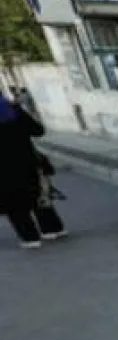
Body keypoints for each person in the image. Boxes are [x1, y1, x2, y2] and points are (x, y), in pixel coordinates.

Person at [0, 95, 66, 249]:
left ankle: (30, 238)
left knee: (14, 205)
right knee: (38, 196)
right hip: (27, 162)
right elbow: (38, 131)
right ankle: (52, 229)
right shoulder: (13, 110)